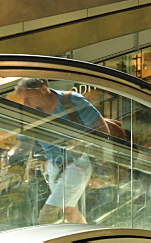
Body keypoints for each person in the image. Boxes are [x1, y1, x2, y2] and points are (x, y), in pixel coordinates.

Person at [14, 77, 110, 224]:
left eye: (28, 98)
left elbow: (102, 130)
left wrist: (100, 156)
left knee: (46, 217)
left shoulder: (71, 100)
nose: (25, 103)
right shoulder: (31, 113)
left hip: (77, 164)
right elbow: (24, 142)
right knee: (70, 212)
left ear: (43, 89)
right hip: (53, 167)